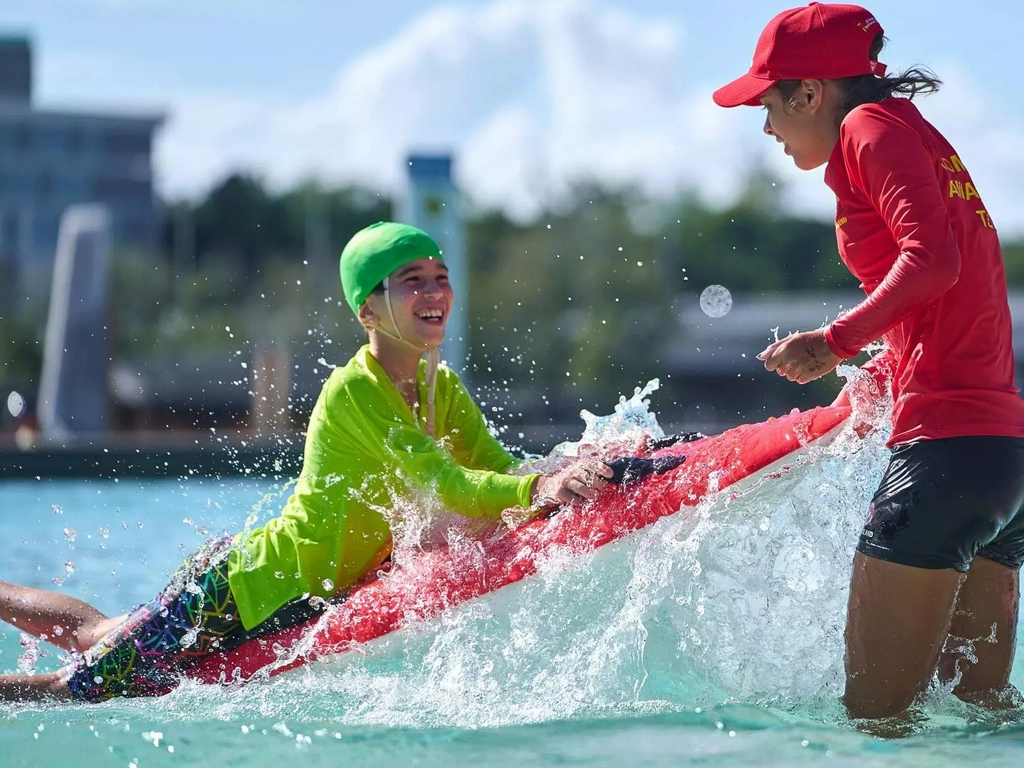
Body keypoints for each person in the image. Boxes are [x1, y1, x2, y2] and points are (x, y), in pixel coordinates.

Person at [0, 221, 651, 703]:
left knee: (96, 631)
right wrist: (544, 484)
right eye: (411, 280)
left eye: (440, 277)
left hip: (270, 580)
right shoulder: (355, 392)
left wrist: (560, 474)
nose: (434, 291)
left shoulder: (438, 386)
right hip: (246, 592)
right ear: (367, 307)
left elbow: (496, 467)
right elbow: (448, 483)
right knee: (73, 688)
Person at [713, 3, 1024, 721]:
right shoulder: (913, 133)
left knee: (878, 727)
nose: (767, 127)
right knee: (982, 724)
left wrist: (834, 342)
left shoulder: (867, 129)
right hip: (1000, 458)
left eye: (769, 103)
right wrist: (876, 381)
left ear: (810, 92)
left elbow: (931, 261)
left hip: (947, 458)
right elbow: (951, 303)